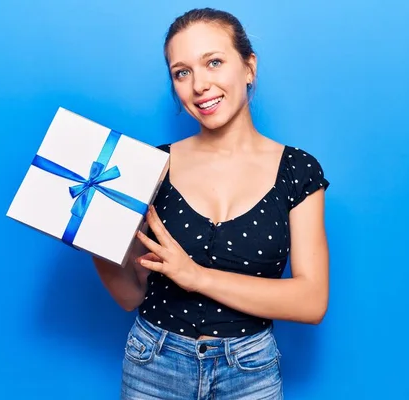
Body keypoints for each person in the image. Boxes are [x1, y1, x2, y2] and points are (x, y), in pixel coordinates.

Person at [93, 7, 330, 400]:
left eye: (214, 62)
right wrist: (92, 238)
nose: (199, 85)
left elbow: (312, 301)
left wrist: (196, 276)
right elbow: (130, 295)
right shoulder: (152, 165)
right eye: (181, 72)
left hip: (249, 371)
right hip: (153, 363)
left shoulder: (297, 170)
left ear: (249, 67)